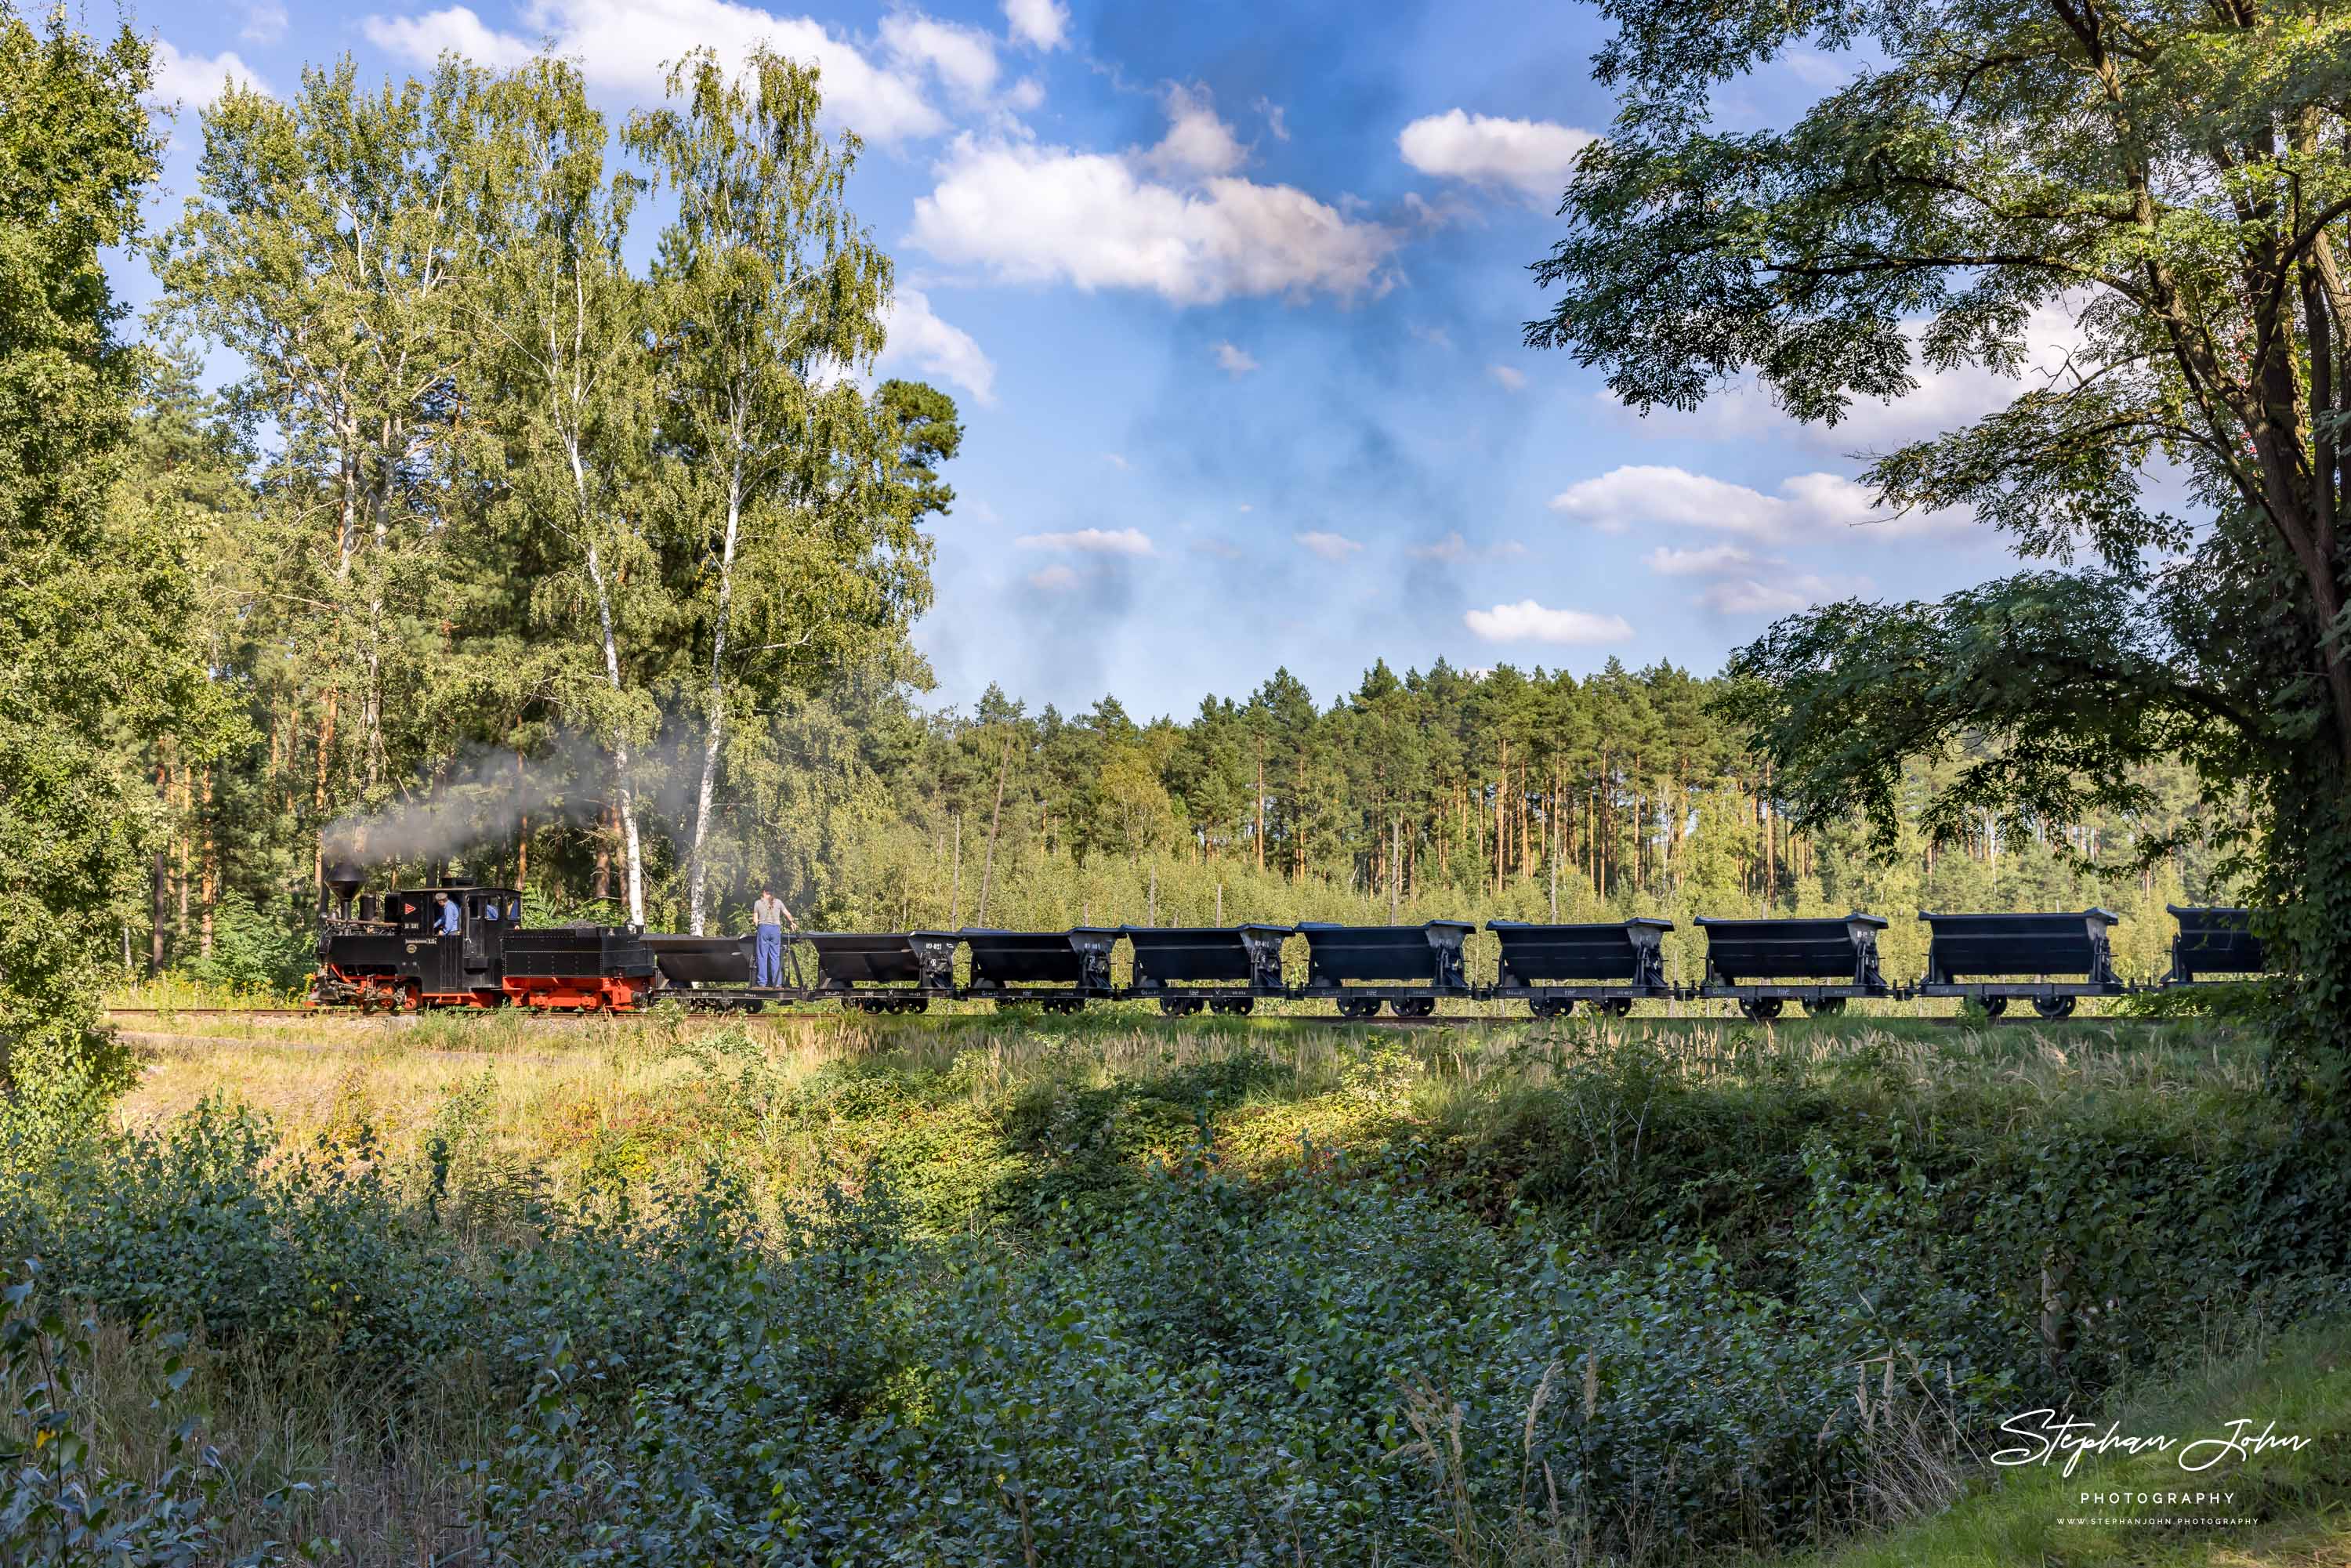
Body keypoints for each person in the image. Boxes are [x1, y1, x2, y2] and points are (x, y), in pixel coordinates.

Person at [752, 887, 795, 987]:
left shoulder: (757, 903)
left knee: (762, 956)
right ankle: (777, 983)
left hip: (763, 929)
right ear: (772, 893)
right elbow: (788, 914)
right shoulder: (778, 902)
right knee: (775, 956)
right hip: (776, 930)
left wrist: (759, 926)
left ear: (764, 892)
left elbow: (755, 920)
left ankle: (762, 983)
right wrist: (792, 923)